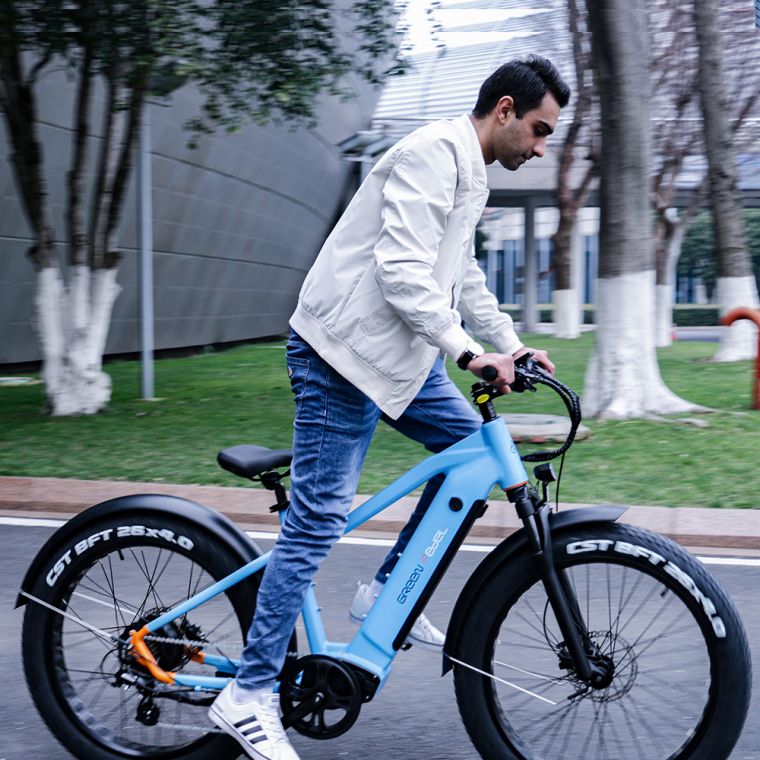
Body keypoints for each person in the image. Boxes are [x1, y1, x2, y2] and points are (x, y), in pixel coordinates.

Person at [209, 54, 570, 760]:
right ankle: (247, 695)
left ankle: (382, 591)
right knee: (316, 522)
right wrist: (470, 357)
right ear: (503, 110)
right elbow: (402, 273)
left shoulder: (470, 175)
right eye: (537, 130)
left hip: (400, 360)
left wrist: (510, 345)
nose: (540, 147)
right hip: (341, 357)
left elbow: (458, 272)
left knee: (471, 457)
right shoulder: (431, 156)